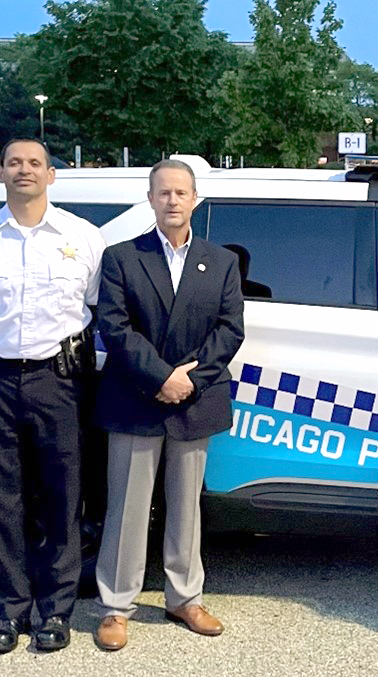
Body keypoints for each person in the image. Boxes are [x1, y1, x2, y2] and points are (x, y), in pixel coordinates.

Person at [0, 138, 106, 654]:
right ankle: (9, 613)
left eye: (35, 163)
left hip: (60, 381)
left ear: (51, 175)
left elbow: (98, 307)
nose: (25, 170)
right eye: (15, 163)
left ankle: (56, 612)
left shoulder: (84, 237)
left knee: (62, 496)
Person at [93, 159, 244, 651]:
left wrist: (188, 381)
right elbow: (114, 328)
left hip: (193, 400)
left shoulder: (220, 261)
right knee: (127, 509)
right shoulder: (120, 258)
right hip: (137, 396)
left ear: (195, 199)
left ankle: (185, 598)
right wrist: (161, 377)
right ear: (151, 199)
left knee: (187, 508)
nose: (173, 200)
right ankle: (116, 606)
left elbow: (229, 329)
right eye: (164, 193)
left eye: (181, 192)